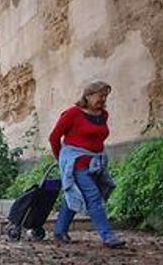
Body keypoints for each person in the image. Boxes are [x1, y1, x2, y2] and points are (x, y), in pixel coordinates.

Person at [48, 81, 126, 248]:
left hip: (96, 163)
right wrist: (61, 158)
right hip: (77, 164)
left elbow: (98, 138)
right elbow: (54, 136)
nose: (103, 99)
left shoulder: (103, 115)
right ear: (88, 96)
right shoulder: (73, 113)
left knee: (77, 195)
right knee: (93, 197)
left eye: (105, 96)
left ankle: (60, 230)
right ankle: (108, 236)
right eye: (100, 95)